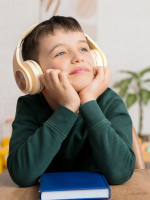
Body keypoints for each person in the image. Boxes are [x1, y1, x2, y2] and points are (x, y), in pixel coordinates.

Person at [7, 16, 136, 187]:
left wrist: (89, 102)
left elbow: (120, 173)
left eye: (83, 48)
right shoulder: (29, 106)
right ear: (36, 73)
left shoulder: (109, 101)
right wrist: (67, 107)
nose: (78, 57)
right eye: (61, 52)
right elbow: (22, 175)